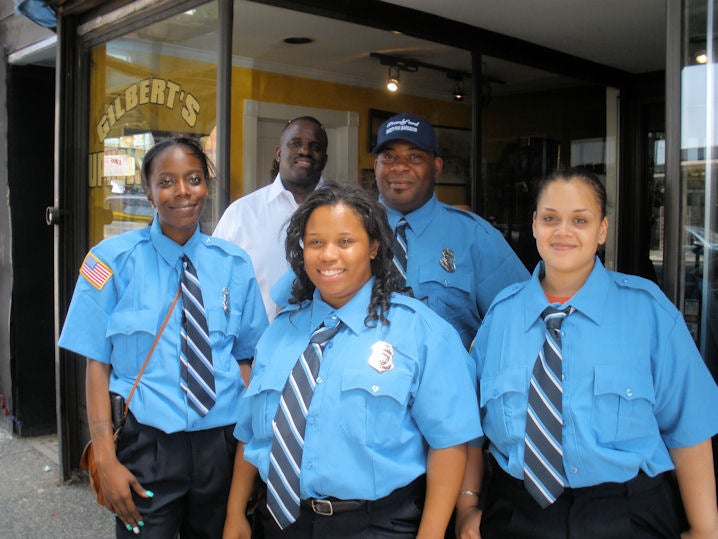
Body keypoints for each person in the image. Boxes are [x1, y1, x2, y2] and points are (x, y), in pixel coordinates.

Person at [456, 167, 718, 539]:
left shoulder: (647, 311)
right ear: (534, 225)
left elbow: (689, 425)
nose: (563, 232)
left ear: (602, 230)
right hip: (517, 512)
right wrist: (467, 505)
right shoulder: (501, 315)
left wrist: (705, 529)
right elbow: (470, 426)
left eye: (580, 220)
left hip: (626, 514)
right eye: (550, 218)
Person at [223, 183, 482, 538]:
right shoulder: (280, 332)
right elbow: (251, 432)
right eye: (315, 242)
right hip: (282, 522)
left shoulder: (420, 332)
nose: (328, 255)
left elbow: (449, 444)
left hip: (373, 525)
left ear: (374, 246)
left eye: (345, 242)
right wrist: (236, 512)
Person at [59, 137, 268, 538]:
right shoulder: (108, 262)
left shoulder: (234, 264)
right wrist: (105, 456)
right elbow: (96, 365)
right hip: (147, 448)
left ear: (206, 185)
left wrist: (247, 454)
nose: (182, 192)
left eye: (193, 179)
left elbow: (247, 361)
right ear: (149, 192)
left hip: (220, 449)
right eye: (167, 181)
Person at [372, 112, 529, 349]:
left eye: (414, 156)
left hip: (443, 383)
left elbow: (521, 322)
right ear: (376, 166)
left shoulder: (475, 236)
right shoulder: (348, 232)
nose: (400, 167)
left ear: (436, 167)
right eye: (389, 156)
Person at [213, 116, 329, 320]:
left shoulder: (346, 213)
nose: (304, 151)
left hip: (329, 344)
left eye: (315, 146)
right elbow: (213, 281)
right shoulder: (242, 214)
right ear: (278, 153)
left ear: (324, 159)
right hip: (255, 346)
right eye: (295, 144)